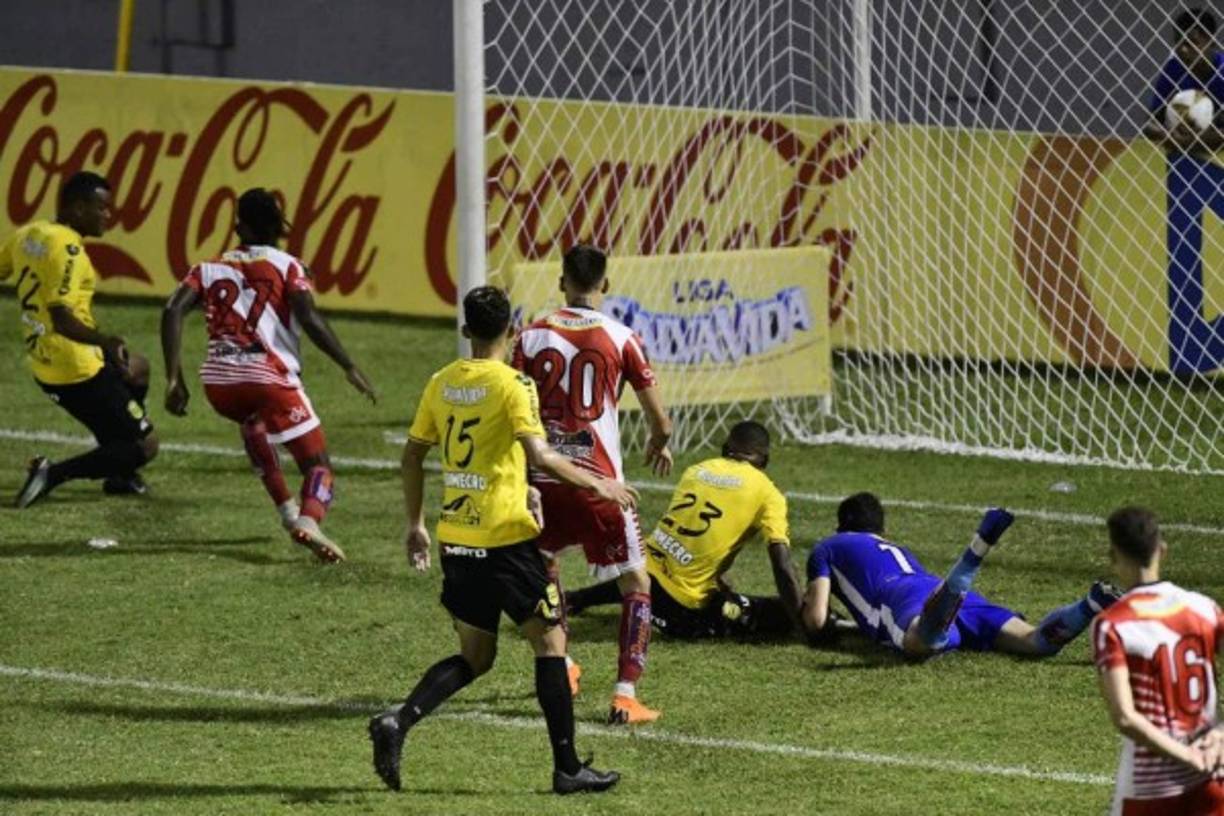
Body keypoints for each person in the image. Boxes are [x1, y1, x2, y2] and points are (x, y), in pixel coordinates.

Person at [368, 286, 632, 795]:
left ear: (466, 331)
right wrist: (599, 482)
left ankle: (398, 721)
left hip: (458, 538)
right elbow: (540, 453)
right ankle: (568, 768)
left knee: (476, 657)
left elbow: (412, 457)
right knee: (551, 642)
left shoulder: (441, 382)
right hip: (506, 541)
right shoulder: (515, 384)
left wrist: (415, 524)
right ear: (511, 330)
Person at [160, 188, 375, 563]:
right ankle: (308, 520)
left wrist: (173, 378)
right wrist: (348, 365)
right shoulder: (288, 265)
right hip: (267, 378)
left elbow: (172, 310)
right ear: (280, 226)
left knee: (253, 425)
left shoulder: (206, 267)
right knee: (319, 466)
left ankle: (286, 512)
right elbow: (308, 317)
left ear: (238, 224)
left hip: (218, 383)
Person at [512, 244, 673, 725]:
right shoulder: (622, 337)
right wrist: (658, 443)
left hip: (543, 478)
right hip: (600, 485)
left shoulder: (530, 336)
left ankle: (562, 664)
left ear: (562, 282)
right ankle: (625, 694)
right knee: (636, 582)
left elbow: (512, 409)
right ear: (605, 284)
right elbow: (659, 420)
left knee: (545, 568)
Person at [567, 420, 805, 641]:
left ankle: (578, 598)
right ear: (764, 461)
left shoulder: (697, 470)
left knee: (654, 573)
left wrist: (716, 574)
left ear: (725, 448)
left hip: (637, 573)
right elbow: (781, 563)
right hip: (678, 610)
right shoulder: (768, 493)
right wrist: (802, 620)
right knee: (780, 612)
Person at [801, 492, 1121, 657]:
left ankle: (974, 554)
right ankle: (1091, 605)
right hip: (931, 588)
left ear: (840, 525)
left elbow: (816, 621)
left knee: (924, 641)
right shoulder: (894, 547)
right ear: (883, 529)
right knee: (1036, 641)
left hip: (901, 597)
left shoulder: (827, 547)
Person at [4, 171, 159, 507]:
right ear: (77, 208)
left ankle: (119, 473)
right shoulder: (69, 249)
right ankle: (53, 473)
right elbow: (62, 319)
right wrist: (105, 341)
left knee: (138, 368)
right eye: (101, 208)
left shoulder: (29, 234)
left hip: (43, 360)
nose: (108, 215)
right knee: (144, 447)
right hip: (76, 367)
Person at [1093, 506, 1224, 815]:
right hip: (1213, 777)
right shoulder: (1203, 608)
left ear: (1113, 557)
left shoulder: (1113, 624)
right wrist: (1220, 733)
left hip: (1150, 790)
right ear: (1161, 550)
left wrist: (1187, 756)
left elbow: (1125, 717)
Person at [1143, 8, 1224, 154]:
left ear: (1211, 41)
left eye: (1192, 43)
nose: (1183, 49)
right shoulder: (1173, 69)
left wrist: (1188, 143)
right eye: (1178, 42)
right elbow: (1149, 124)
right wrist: (1168, 136)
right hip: (1181, 155)